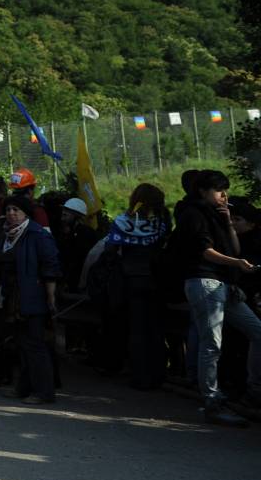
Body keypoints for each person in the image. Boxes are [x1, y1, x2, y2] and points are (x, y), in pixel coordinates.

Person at [174, 170, 261, 427]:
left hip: (226, 283)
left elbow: (234, 248)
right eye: (219, 191)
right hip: (204, 281)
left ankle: (254, 389)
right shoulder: (192, 214)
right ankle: (212, 400)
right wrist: (237, 263)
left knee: (257, 331)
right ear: (203, 191)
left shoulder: (218, 215)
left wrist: (228, 225)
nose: (224, 196)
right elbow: (205, 251)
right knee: (212, 343)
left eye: (226, 191)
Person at [0, 195, 62, 403]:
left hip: (33, 297)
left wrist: (50, 297)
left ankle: (44, 392)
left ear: (26, 213)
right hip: (13, 298)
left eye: (16, 210)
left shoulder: (37, 234)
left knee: (35, 345)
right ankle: (24, 387)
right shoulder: (7, 234)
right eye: (9, 209)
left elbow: (51, 265)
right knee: (22, 345)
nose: (12, 213)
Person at [99, 185, 170, 389]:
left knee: (137, 330)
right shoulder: (162, 220)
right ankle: (159, 374)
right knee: (156, 330)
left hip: (131, 280)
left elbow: (110, 250)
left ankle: (140, 376)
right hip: (156, 279)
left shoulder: (123, 221)